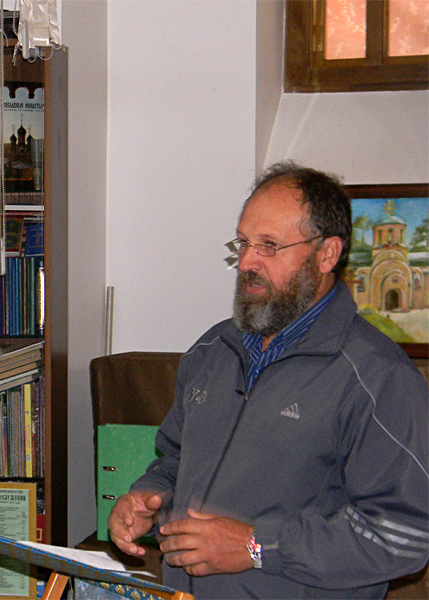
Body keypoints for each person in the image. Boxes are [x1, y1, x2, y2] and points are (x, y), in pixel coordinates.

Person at [107, 162, 429, 598]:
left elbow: (404, 536)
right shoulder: (211, 350)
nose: (246, 262)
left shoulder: (378, 377)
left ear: (326, 254)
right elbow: (176, 460)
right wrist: (148, 499)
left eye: (269, 246)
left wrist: (258, 547)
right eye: (243, 242)